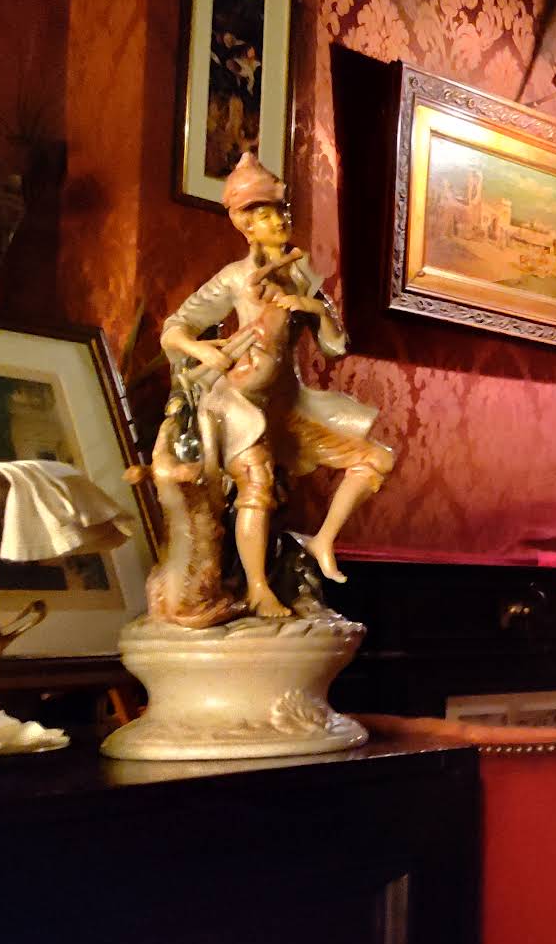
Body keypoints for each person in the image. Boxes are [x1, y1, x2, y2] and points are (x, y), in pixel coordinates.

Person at [158, 153, 395, 618]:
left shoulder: (302, 275)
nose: (280, 220)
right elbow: (175, 327)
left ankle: (324, 540)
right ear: (246, 226)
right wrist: (206, 350)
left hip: (288, 403)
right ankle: (258, 588)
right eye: (266, 214)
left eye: (281, 211)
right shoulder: (234, 278)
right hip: (241, 404)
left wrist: (315, 309)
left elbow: (335, 347)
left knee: (374, 458)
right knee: (256, 485)